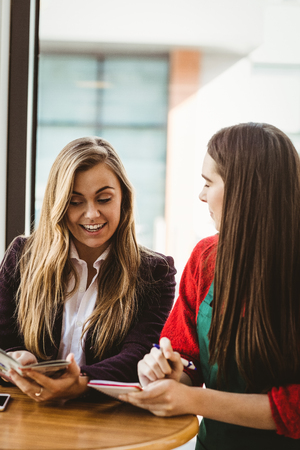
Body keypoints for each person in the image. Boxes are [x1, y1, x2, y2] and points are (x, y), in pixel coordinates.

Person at [120, 123, 300, 449]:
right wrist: (169, 372)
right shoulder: (206, 257)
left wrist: (193, 401)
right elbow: (185, 358)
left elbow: (296, 407)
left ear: (246, 190)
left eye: (208, 183)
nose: (201, 196)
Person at [0, 136, 176, 402]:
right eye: (75, 201)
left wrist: (82, 381)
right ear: (58, 205)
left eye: (104, 199)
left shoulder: (155, 272)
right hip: (27, 412)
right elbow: (4, 336)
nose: (91, 214)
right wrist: (15, 358)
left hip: (104, 417)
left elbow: (138, 357)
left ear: (124, 199)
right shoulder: (23, 256)